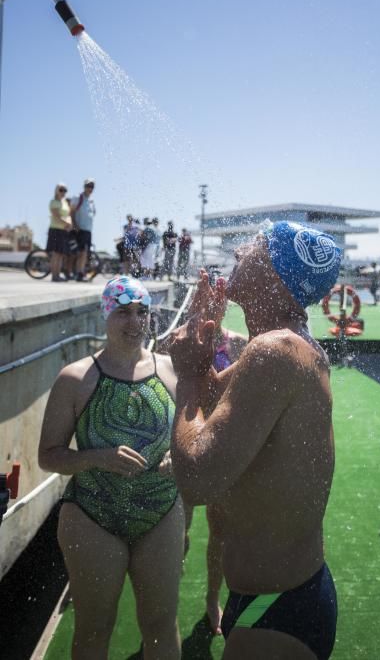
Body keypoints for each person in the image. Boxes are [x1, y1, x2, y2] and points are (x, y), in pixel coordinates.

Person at [169, 221, 342, 659]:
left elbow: (196, 480)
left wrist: (188, 372)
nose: (241, 249)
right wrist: (202, 346)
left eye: (257, 246)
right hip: (284, 596)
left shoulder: (276, 351)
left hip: (277, 606)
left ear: (275, 274)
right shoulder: (286, 346)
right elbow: (217, 400)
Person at [38, 276, 184, 660]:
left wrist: (178, 456)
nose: (134, 322)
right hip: (92, 515)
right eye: (123, 312)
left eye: (142, 312)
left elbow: (191, 434)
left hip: (161, 512)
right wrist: (97, 457)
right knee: (94, 627)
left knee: (161, 624)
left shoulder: (171, 371)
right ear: (106, 314)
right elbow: (48, 455)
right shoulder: (76, 378)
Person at [71, 179, 97, 282]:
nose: (90, 188)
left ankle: (80, 273)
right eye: (88, 186)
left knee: (85, 252)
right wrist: (75, 226)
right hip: (79, 229)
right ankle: (76, 272)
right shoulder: (78, 197)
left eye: (92, 186)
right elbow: (71, 212)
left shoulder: (91, 201)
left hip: (88, 230)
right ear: (84, 186)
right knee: (80, 252)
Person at [46, 183, 73, 282]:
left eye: (65, 190)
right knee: (56, 254)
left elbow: (68, 215)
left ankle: (58, 274)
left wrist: (69, 223)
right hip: (55, 230)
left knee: (61, 254)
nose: (63, 192)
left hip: (63, 231)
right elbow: (56, 216)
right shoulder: (54, 202)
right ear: (56, 190)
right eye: (61, 190)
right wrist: (66, 223)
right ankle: (54, 276)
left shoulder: (65, 202)